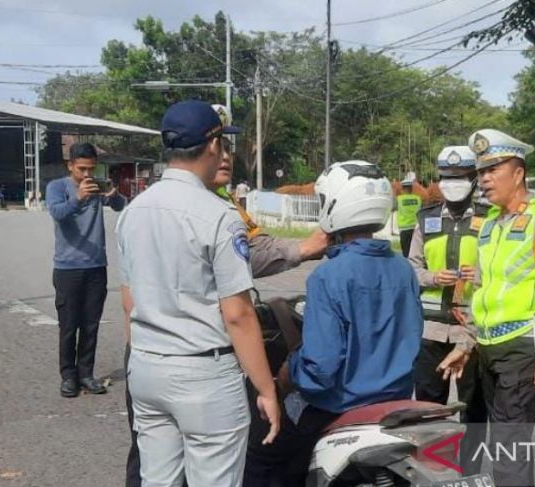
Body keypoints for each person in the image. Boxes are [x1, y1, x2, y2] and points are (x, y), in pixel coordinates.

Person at [122, 105, 328, 487]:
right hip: (202, 375)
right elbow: (238, 314)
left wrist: (146, 357)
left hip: (147, 366)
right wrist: (266, 388)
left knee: (157, 480)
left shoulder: (134, 210)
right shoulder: (218, 215)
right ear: (213, 144)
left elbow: (128, 299)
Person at [244, 160, 423, 487]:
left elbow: (321, 369)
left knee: (264, 450)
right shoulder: (403, 269)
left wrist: (288, 372)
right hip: (396, 402)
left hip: (339, 405)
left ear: (337, 208)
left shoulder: (328, 276)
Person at [466, 129, 535, 487]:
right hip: (487, 348)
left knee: (508, 448)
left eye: (493, 169)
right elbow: (483, 290)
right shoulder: (490, 224)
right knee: (503, 444)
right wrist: (466, 342)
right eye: (481, 171)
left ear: (518, 172)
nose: (483, 179)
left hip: (522, 348)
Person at [409, 146, 488, 476]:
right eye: (446, 177)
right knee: (428, 408)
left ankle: (468, 474)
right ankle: (432, 471)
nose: (452, 182)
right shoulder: (425, 219)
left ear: (473, 179)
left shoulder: (490, 218)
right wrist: (431, 276)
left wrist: (481, 274)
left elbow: (504, 269)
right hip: (430, 330)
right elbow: (411, 267)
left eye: (459, 177)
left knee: (473, 409)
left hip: (471, 332)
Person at [45, 142, 125, 398]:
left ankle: (87, 374)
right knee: (69, 326)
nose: (87, 175)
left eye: (91, 169)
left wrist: (114, 196)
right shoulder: (57, 187)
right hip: (68, 268)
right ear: (70, 165)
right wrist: (78, 198)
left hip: (96, 266)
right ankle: (68, 376)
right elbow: (57, 213)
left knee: (91, 325)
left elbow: (122, 206)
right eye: (82, 169)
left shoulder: (96, 185)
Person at [396, 177, 422, 257]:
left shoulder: (398, 199)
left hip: (404, 228)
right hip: (416, 228)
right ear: (411, 188)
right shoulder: (418, 199)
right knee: (416, 251)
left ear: (402, 188)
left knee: (406, 252)